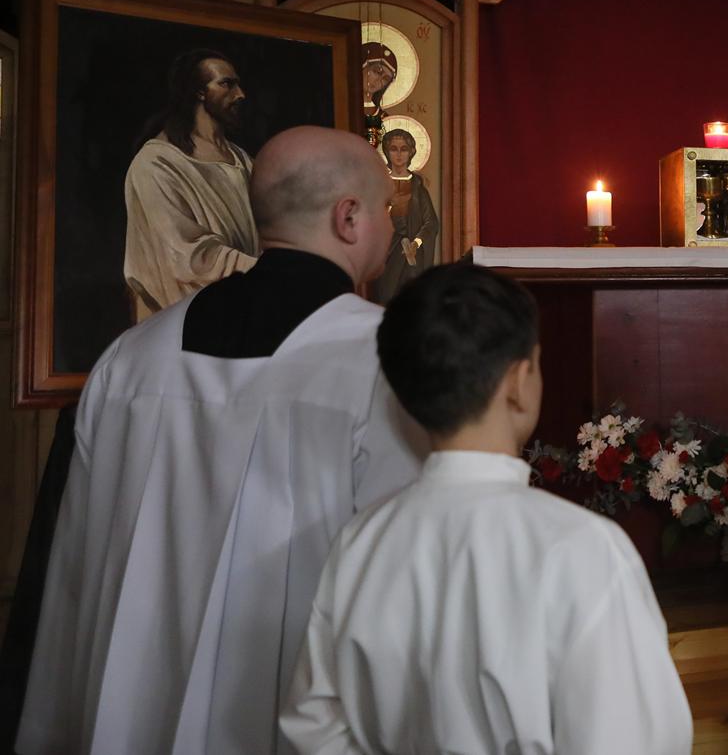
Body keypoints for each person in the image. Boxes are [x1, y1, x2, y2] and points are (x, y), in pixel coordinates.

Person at [17, 127, 426, 755]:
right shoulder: (390, 356)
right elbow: (407, 571)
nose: (390, 227)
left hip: (127, 712)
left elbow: (73, 561)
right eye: (384, 210)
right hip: (286, 715)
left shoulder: (132, 356)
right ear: (348, 218)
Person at [280, 263, 693, 755]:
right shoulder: (582, 547)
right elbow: (635, 741)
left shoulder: (361, 542)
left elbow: (314, 723)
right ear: (519, 381)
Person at [124, 48, 260, 319]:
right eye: (227, 84)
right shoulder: (156, 163)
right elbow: (188, 257)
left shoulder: (243, 160)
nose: (240, 94)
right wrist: (268, 271)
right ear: (199, 92)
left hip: (245, 308)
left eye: (238, 84)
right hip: (188, 320)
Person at [372, 128, 438, 305]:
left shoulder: (418, 188)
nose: (399, 154)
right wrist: (388, 206)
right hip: (387, 250)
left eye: (404, 149)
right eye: (394, 149)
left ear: (411, 152)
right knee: (386, 296)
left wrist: (417, 243)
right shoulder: (380, 185)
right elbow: (371, 219)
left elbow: (431, 222)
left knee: (410, 299)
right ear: (387, 152)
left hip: (410, 252)